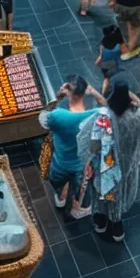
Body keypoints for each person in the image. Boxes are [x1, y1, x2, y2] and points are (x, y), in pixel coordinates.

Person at [79, 80, 140, 241]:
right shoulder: (138, 115)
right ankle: (117, 227)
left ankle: (100, 223)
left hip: (104, 166)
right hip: (126, 166)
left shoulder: (102, 117)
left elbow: (92, 145)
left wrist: (89, 162)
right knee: (117, 194)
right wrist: (136, 100)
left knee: (102, 193)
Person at [42, 76, 104, 219]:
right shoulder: (95, 114)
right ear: (84, 92)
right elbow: (107, 109)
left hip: (61, 163)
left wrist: (58, 97)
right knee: (82, 187)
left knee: (58, 182)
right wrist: (94, 92)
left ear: (67, 91)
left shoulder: (57, 115)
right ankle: (80, 207)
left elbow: (44, 118)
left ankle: (61, 198)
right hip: (81, 164)